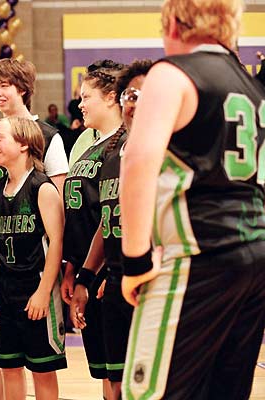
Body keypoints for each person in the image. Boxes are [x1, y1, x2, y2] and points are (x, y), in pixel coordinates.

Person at [120, 1, 265, 399]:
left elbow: (138, 160)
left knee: (148, 393)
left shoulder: (171, 74)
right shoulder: (250, 84)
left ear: (174, 21)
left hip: (198, 255)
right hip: (254, 256)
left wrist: (134, 260)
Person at [0, 57, 69, 400]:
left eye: (3, 85)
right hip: (1, 262)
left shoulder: (49, 137)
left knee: (39, 364)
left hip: (35, 265)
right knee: (1, 349)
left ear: (22, 88)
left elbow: (56, 211)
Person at [69, 59, 153, 400]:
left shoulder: (163, 152)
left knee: (146, 383)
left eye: (142, 96)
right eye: (130, 95)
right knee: (114, 385)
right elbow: (108, 222)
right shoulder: (110, 153)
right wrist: (86, 277)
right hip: (114, 281)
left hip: (149, 283)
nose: (134, 103)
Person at [0, 117, 66, 400]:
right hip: (5, 290)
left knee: (42, 370)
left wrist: (44, 293)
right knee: (9, 367)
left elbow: (56, 243)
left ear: (23, 144)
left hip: (36, 287)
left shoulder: (41, 188)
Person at [61, 64, 125, 400]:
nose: (80, 104)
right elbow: (79, 216)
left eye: (87, 97)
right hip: (87, 269)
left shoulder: (125, 144)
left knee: (122, 375)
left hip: (111, 272)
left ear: (111, 97)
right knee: (105, 373)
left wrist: (96, 274)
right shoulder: (88, 145)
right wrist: (73, 269)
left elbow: (111, 219)